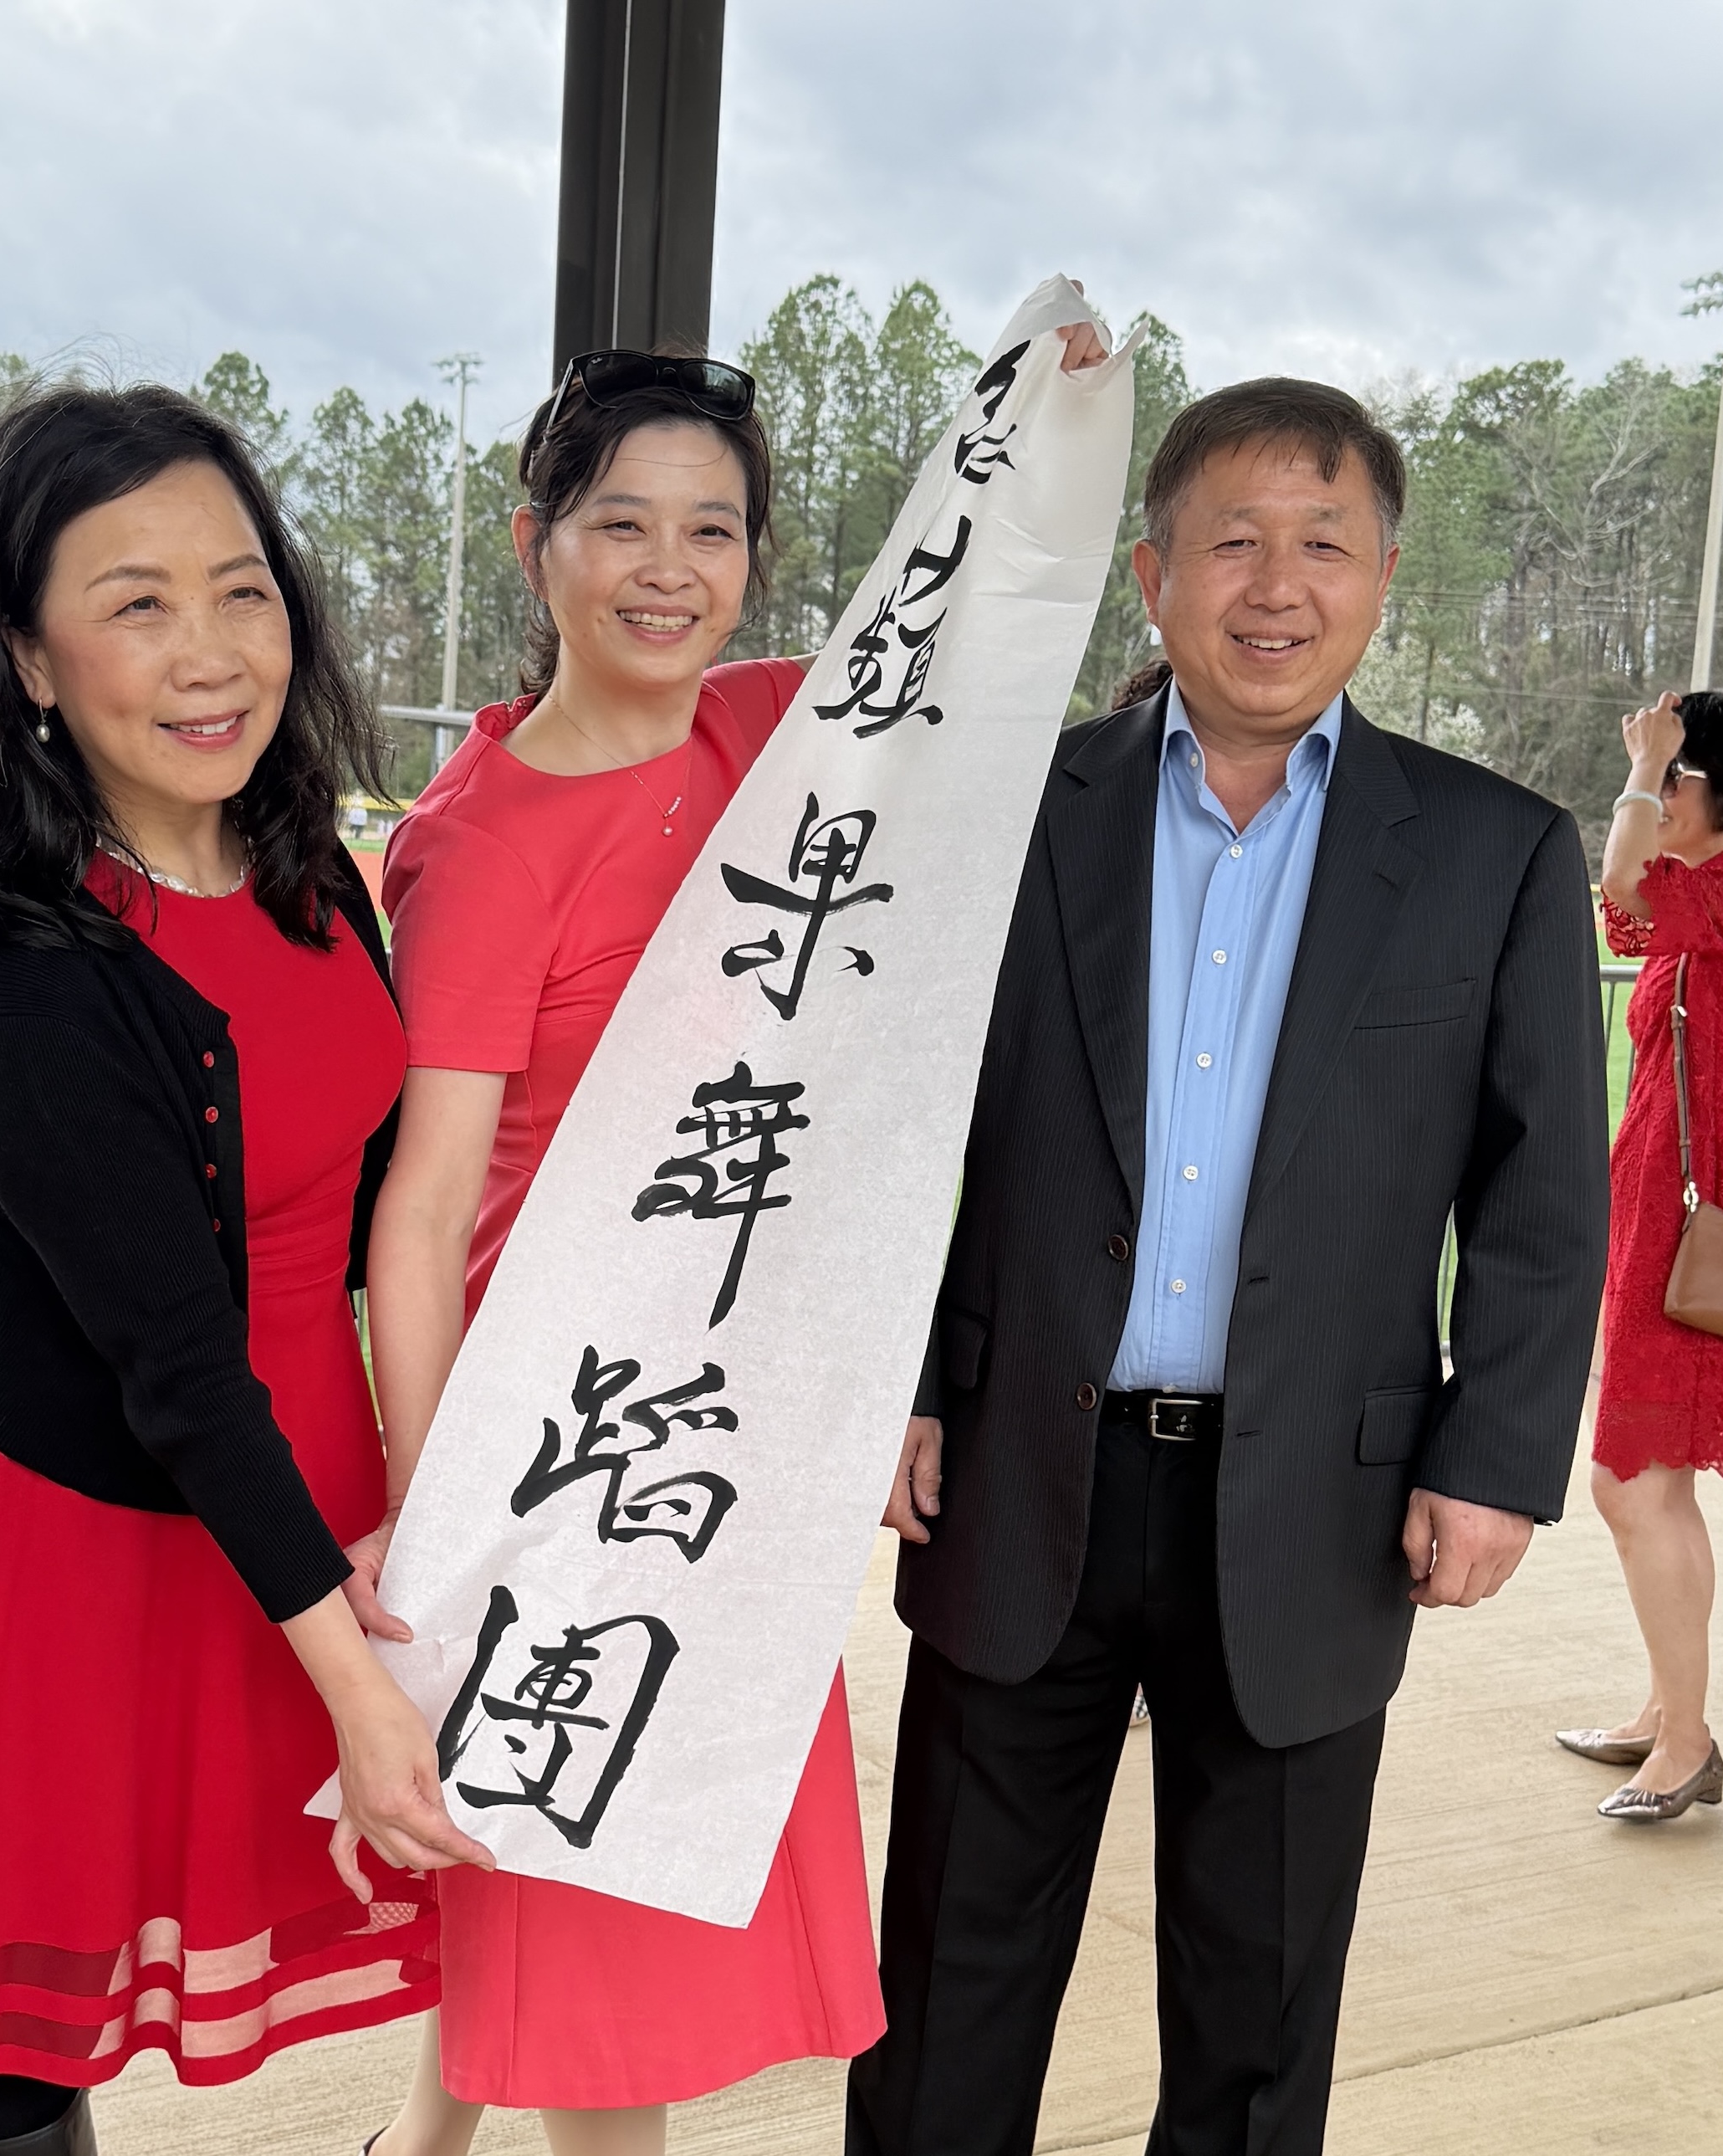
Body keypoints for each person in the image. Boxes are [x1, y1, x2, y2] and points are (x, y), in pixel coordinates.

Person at [350, 324, 1102, 2156]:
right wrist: (440, 1518)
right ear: (536, 543)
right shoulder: (484, 841)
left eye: (713, 528)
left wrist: (1038, 403)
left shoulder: (772, 732)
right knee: (597, 1902)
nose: (668, 568)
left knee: (559, 1857)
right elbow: (422, 1210)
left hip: (715, 1407)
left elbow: (964, 621)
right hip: (564, 1431)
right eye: (620, 523)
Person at [846, 379, 1610, 2156]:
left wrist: (1493, 1459)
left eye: (1321, 543)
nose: (1275, 585)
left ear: (1382, 578)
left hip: (1317, 1507)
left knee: (1254, 2022)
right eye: (1232, 541)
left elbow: (1539, 1193)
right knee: (948, 1988)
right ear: (1152, 574)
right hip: (1016, 1470)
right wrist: (892, 1375)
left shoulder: (1492, 850)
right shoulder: (1014, 811)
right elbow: (892, 1116)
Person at [0, 383, 488, 2155]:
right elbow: (174, 1356)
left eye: (241, 589)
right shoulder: (21, 951)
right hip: (52, 1508)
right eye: (136, 602)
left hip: (265, 1481)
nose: (209, 651)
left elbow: (373, 1201)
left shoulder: (306, 865)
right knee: (5, 1992)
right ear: (26, 656)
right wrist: (358, 1686)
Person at [1557, 687, 1723, 1821]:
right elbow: (1621, 899)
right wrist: (1656, 773)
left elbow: (1619, 881)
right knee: (1656, 1484)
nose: (1658, 796)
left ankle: (1689, 1737)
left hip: (1695, 1211)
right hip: (1656, 1195)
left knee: (1628, 1482)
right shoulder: (1706, 893)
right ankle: (1669, 1713)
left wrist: (1634, 770)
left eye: (1676, 779)